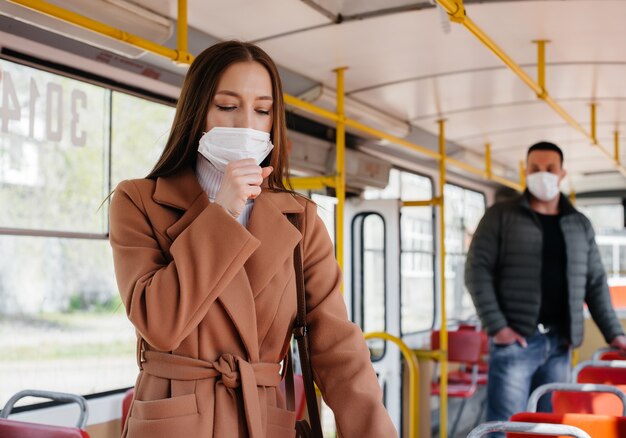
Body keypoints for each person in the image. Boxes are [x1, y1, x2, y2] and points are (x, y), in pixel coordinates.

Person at [108, 41, 396, 438]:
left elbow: (337, 349)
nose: (246, 123)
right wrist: (222, 212)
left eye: (261, 111)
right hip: (174, 422)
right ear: (197, 114)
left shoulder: (300, 218)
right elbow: (160, 323)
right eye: (227, 106)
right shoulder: (140, 200)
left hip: (260, 420)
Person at [465, 141, 626, 432]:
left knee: (547, 425)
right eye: (535, 169)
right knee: (505, 426)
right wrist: (499, 328)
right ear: (525, 172)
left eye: (549, 169)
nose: (543, 175)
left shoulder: (579, 224)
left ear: (562, 173)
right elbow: (476, 271)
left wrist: (615, 335)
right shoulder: (501, 216)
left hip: (560, 344)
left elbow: (595, 283)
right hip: (515, 343)